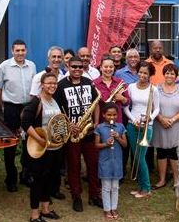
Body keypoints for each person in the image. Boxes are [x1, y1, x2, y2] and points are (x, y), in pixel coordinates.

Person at [55, 56, 101, 212]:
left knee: (93, 165)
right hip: (72, 133)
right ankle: (76, 196)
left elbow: (96, 104)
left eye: (80, 67)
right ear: (68, 66)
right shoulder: (61, 85)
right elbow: (57, 111)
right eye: (74, 66)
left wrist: (95, 123)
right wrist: (69, 125)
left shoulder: (88, 83)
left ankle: (95, 195)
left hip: (88, 131)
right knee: (73, 166)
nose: (77, 69)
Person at [0, 39, 36, 192]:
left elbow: (35, 87)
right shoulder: (4, 67)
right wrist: (3, 106)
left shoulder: (32, 66)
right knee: (11, 144)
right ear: (12, 51)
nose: (20, 53)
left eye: (22, 50)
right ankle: (10, 178)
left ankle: (25, 174)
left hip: (28, 107)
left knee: (28, 143)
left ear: (26, 51)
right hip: (11, 107)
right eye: (17, 50)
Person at [21, 73, 62, 222]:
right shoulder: (36, 102)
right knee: (37, 180)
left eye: (54, 83)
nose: (52, 85)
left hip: (55, 148)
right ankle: (34, 214)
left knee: (50, 178)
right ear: (42, 84)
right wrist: (40, 140)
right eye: (49, 83)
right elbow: (25, 123)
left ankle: (45, 209)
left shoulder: (54, 101)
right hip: (40, 148)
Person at [124, 62, 160, 198]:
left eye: (145, 73)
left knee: (140, 158)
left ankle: (146, 188)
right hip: (132, 125)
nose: (142, 75)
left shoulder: (153, 89)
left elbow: (157, 108)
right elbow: (126, 106)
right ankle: (140, 187)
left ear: (150, 75)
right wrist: (133, 119)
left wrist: (149, 119)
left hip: (147, 126)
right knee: (136, 157)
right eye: (140, 72)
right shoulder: (131, 87)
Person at [93, 55, 130, 183]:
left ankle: (118, 175)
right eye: (105, 67)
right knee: (102, 150)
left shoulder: (120, 83)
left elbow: (127, 102)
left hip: (117, 121)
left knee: (117, 150)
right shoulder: (95, 83)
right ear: (101, 68)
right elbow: (94, 104)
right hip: (102, 123)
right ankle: (101, 176)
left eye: (111, 67)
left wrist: (122, 98)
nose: (108, 69)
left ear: (114, 68)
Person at [153, 63, 179, 189]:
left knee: (174, 152)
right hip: (160, 124)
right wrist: (161, 119)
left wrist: (172, 120)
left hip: (176, 125)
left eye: (172, 73)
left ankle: (176, 180)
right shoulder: (156, 89)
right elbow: (152, 107)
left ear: (176, 76)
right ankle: (162, 179)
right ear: (164, 74)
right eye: (167, 73)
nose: (169, 75)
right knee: (161, 152)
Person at [94, 102, 127, 220]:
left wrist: (118, 137)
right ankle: (107, 209)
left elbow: (125, 144)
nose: (111, 117)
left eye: (114, 115)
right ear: (103, 115)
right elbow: (96, 145)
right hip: (105, 162)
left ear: (117, 115)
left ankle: (114, 208)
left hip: (117, 162)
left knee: (115, 187)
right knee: (106, 186)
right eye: (109, 115)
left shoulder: (121, 127)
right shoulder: (100, 128)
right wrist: (106, 144)